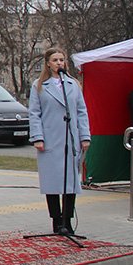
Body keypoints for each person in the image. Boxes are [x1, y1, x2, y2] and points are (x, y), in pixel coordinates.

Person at [28, 47, 91, 236]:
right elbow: (34, 114)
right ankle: (56, 220)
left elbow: (81, 111)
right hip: (50, 139)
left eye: (61, 60)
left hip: (70, 138)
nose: (59, 63)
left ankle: (67, 221)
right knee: (53, 181)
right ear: (48, 63)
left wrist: (84, 136)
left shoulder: (72, 84)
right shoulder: (38, 85)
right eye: (55, 60)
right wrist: (37, 137)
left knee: (70, 181)